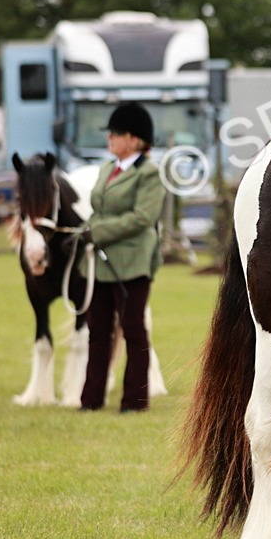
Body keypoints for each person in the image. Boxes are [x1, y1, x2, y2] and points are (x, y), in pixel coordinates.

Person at [79, 103, 164, 413]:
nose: (109, 138)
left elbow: (142, 218)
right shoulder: (106, 170)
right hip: (101, 263)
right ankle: (91, 399)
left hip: (133, 262)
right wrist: (82, 231)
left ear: (133, 139)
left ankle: (135, 401)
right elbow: (98, 211)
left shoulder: (149, 174)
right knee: (97, 331)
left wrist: (97, 231)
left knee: (133, 329)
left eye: (115, 134)